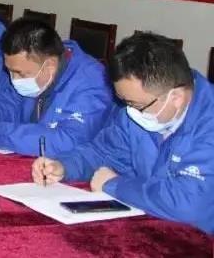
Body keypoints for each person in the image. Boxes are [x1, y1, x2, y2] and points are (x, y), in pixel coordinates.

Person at [31, 33, 214, 233]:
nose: (130, 111)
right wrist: (63, 166)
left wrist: (114, 185)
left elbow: (189, 204)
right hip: (153, 226)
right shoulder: (140, 109)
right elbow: (103, 152)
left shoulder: (208, 125)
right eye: (124, 101)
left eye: (136, 105)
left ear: (176, 98)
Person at [0, 18, 112, 156]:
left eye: (20, 73)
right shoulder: (38, 66)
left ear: (49, 66)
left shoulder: (93, 83)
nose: (14, 80)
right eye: (9, 71)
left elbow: (69, 141)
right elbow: (11, 103)